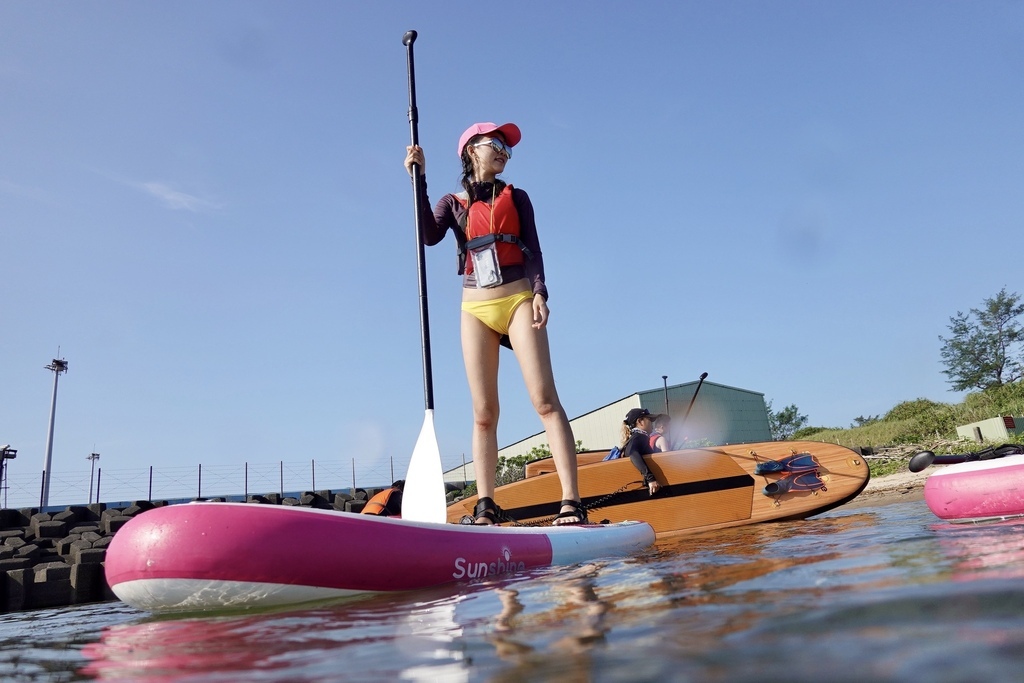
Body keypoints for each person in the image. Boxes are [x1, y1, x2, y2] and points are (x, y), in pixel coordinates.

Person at [404, 121, 586, 526]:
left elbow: (534, 249)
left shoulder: (517, 197)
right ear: (471, 151)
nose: (503, 150)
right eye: (495, 143)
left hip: (519, 297)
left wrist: (540, 291)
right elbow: (428, 236)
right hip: (475, 308)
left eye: (507, 146)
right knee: (484, 413)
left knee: (544, 400)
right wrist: (419, 179)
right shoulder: (453, 202)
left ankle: (571, 501)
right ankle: (487, 505)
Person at [621, 408, 662, 495]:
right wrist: (651, 479)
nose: (652, 423)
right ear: (640, 421)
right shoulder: (640, 437)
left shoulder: (635, 437)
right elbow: (632, 453)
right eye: (649, 419)